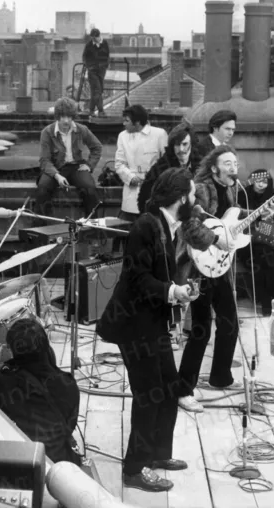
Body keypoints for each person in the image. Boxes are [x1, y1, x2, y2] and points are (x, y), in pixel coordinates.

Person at [96, 168, 213, 492]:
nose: (195, 201)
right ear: (179, 198)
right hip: (134, 325)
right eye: (191, 195)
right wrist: (173, 292)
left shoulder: (168, 225)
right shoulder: (146, 226)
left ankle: (158, 453)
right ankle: (134, 469)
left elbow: (160, 276)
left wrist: (179, 289)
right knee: (149, 394)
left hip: (151, 321)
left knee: (170, 387)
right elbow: (137, 279)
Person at [177, 146, 274, 413]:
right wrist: (216, 239)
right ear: (214, 168)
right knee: (201, 329)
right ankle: (183, 390)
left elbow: (231, 217)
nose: (234, 166)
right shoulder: (200, 188)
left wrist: (260, 213)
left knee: (229, 322)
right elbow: (191, 226)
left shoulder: (235, 189)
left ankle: (220, 376)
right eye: (227, 163)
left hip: (221, 265)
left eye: (235, 162)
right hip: (200, 263)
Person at [0, 318, 81, 465]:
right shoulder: (68, 383)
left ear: (13, 350)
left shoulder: (3, 382)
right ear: (46, 346)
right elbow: (69, 426)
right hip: (59, 466)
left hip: (19, 464)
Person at [36, 97, 102, 218]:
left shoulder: (82, 130)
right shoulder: (47, 132)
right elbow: (44, 160)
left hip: (76, 167)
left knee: (90, 189)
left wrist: (89, 165)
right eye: (63, 117)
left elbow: (97, 147)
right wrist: (57, 176)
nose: (66, 121)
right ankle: (40, 228)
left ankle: (92, 227)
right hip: (55, 168)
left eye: (69, 117)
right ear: (57, 116)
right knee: (42, 189)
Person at [237, 169, 274, 316]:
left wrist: (270, 217)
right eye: (258, 181)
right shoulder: (243, 195)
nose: (261, 184)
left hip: (264, 241)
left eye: (265, 181)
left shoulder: (272, 196)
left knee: (264, 256)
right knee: (264, 257)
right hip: (244, 241)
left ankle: (267, 301)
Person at [113, 104, 167, 222]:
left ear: (137, 122)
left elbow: (166, 161)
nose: (124, 124)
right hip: (132, 190)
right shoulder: (122, 136)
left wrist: (153, 178)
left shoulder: (159, 134)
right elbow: (119, 163)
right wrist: (131, 177)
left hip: (154, 188)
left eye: (127, 121)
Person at [138, 121, 202, 214]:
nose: (181, 149)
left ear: (191, 144)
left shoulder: (201, 167)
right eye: (177, 145)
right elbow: (145, 200)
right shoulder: (160, 169)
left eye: (185, 144)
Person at [82, 28, 110, 117]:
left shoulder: (105, 43)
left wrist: (105, 66)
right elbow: (84, 57)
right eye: (92, 38)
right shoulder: (89, 45)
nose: (94, 40)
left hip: (101, 70)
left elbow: (107, 56)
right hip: (92, 71)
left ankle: (91, 110)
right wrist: (89, 66)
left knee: (97, 91)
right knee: (97, 89)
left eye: (95, 37)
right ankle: (101, 111)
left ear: (98, 36)